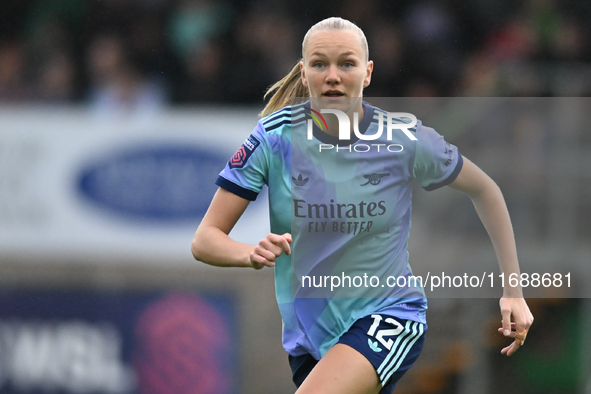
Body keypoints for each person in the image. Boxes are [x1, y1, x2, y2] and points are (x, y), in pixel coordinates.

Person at [192, 17, 533, 394]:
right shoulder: (274, 139)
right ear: (304, 74)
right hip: (311, 341)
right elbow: (205, 240)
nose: (333, 75)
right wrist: (248, 253)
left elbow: (486, 190)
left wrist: (513, 291)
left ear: (367, 73)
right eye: (320, 64)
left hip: (389, 316)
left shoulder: (404, 139)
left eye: (347, 64)